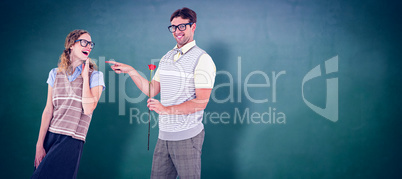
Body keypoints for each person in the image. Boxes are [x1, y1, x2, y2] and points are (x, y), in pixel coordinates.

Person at [107, 7, 216, 179]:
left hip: (188, 137)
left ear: (193, 27)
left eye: (182, 26)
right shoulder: (167, 57)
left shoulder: (202, 59)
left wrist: (166, 109)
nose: (177, 31)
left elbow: (201, 102)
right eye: (173, 27)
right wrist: (131, 71)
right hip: (164, 136)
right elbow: (152, 90)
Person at [32, 29, 105, 179]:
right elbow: (48, 110)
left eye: (91, 44)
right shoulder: (55, 73)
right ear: (71, 45)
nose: (89, 47)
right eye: (84, 42)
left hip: (72, 139)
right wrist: (39, 145)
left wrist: (85, 77)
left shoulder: (95, 76)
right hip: (50, 137)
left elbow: (89, 107)